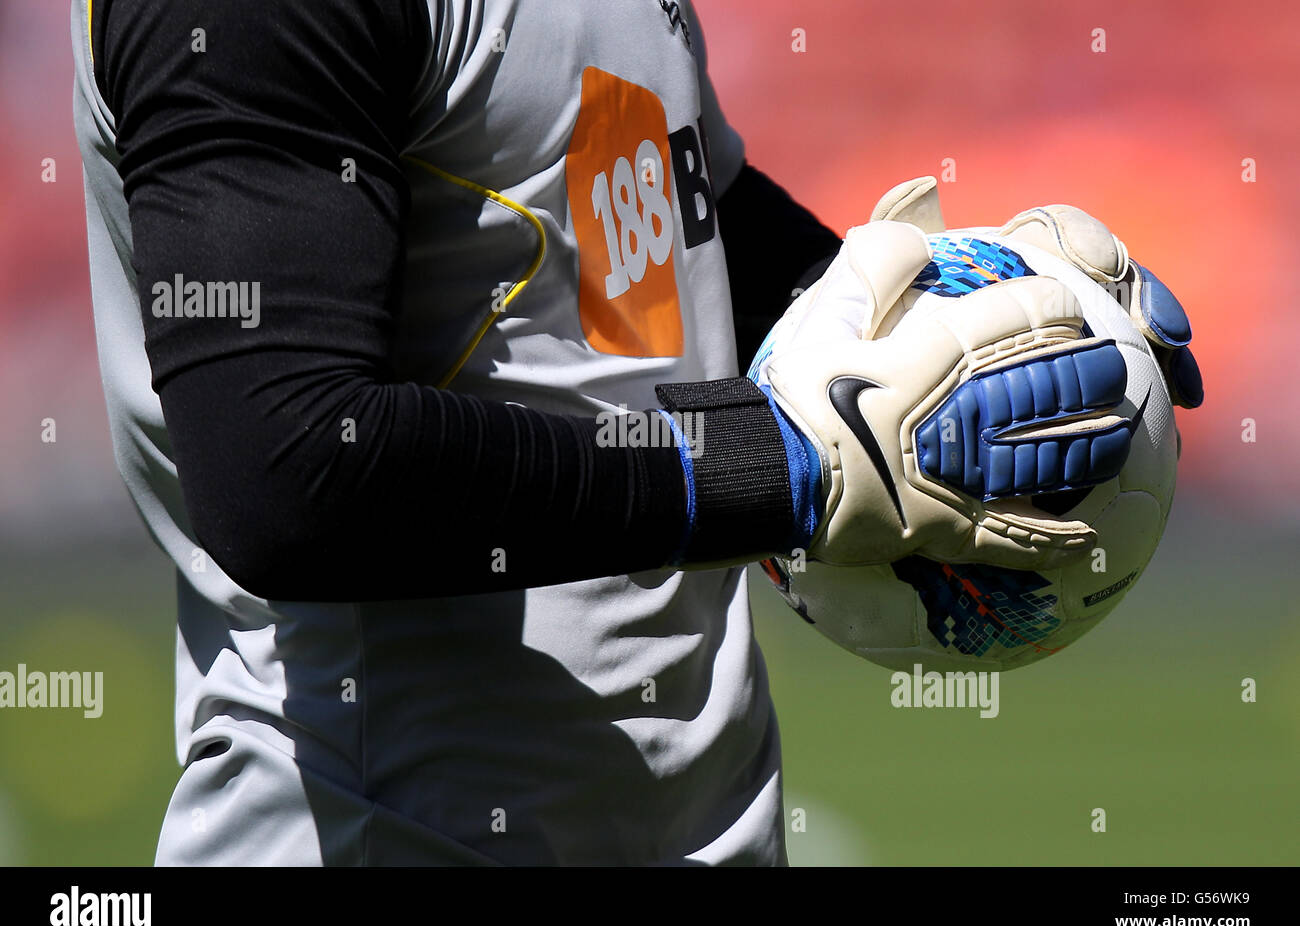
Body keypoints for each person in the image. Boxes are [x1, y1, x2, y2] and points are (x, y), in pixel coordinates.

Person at [72, 0, 1167, 865]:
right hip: (387, 829)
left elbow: (668, 234)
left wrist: (995, 313)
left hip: (700, 818)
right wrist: (771, 466)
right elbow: (287, 467)